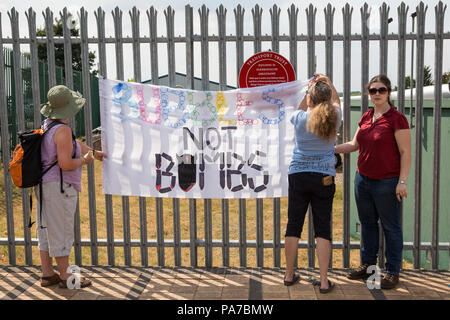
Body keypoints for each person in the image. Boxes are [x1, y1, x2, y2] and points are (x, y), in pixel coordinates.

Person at [335, 74, 411, 289]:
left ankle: (392, 271)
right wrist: (329, 150)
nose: (377, 94)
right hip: (363, 180)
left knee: (391, 227)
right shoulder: (367, 116)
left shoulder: (397, 119)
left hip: (387, 182)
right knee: (367, 224)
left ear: (388, 92)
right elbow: (353, 144)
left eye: (381, 90)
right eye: (373, 90)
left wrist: (402, 181)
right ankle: (368, 266)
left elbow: (406, 152)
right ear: (368, 93)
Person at [36, 85, 107, 288]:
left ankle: (48, 273)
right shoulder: (63, 130)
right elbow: (65, 163)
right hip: (60, 187)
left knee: (46, 229)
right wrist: (84, 161)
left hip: (44, 186)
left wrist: (94, 152)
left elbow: (75, 144)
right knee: (61, 230)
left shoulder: (48, 125)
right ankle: (66, 276)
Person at [284, 74, 342, 293]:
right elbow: (336, 101)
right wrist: (329, 82)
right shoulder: (335, 116)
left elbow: (297, 109)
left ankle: (289, 275)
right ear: (326, 100)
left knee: (294, 225)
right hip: (324, 178)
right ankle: (324, 280)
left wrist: (308, 90)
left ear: (310, 100)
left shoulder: (300, 119)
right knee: (323, 228)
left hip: (299, 175)